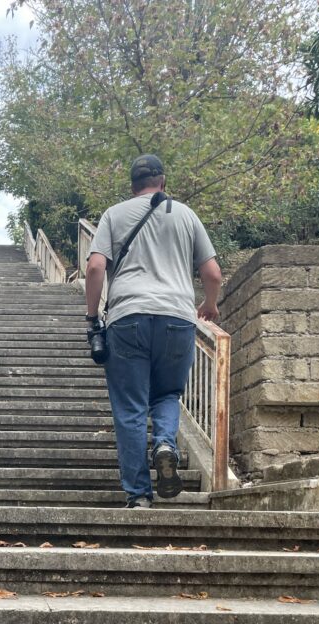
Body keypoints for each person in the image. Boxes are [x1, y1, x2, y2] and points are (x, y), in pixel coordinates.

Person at [85, 154, 223, 508]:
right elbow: (212, 273)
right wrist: (209, 305)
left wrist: (92, 317)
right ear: (163, 181)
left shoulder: (114, 214)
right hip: (177, 318)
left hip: (127, 317)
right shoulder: (186, 214)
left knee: (130, 408)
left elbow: (95, 267)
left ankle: (139, 496)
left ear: (132, 186)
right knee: (167, 394)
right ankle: (164, 443)